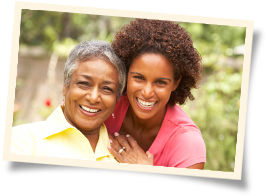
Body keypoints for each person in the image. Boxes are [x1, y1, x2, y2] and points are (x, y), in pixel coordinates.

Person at [105, 19, 206, 169]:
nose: (147, 92)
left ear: (176, 82)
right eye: (139, 78)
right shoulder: (107, 105)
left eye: (160, 82)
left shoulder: (188, 143)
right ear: (126, 72)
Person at [10, 40, 126, 162]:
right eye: (84, 83)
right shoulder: (22, 141)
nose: (93, 97)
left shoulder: (123, 156)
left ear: (117, 97)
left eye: (107, 89)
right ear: (65, 86)